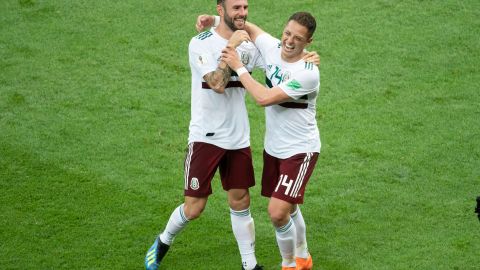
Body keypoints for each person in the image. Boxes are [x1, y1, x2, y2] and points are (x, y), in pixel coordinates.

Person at [144, 1, 265, 270]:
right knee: (194, 208)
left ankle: (250, 264)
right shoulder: (199, 43)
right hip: (205, 138)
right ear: (221, 9)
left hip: (238, 136)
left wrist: (303, 57)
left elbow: (277, 56)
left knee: (240, 199)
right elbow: (217, 83)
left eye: (245, 7)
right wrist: (231, 46)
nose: (242, 13)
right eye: (236, 7)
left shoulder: (249, 44)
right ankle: (163, 241)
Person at [199, 11, 320, 270]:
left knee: (277, 213)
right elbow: (251, 30)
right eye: (287, 33)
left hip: (300, 151)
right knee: (291, 207)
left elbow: (264, 98)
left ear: (308, 43)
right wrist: (215, 20)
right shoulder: (272, 46)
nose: (289, 41)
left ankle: (289, 264)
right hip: (274, 148)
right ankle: (303, 257)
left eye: (298, 39)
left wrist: (239, 67)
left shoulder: (308, 73)